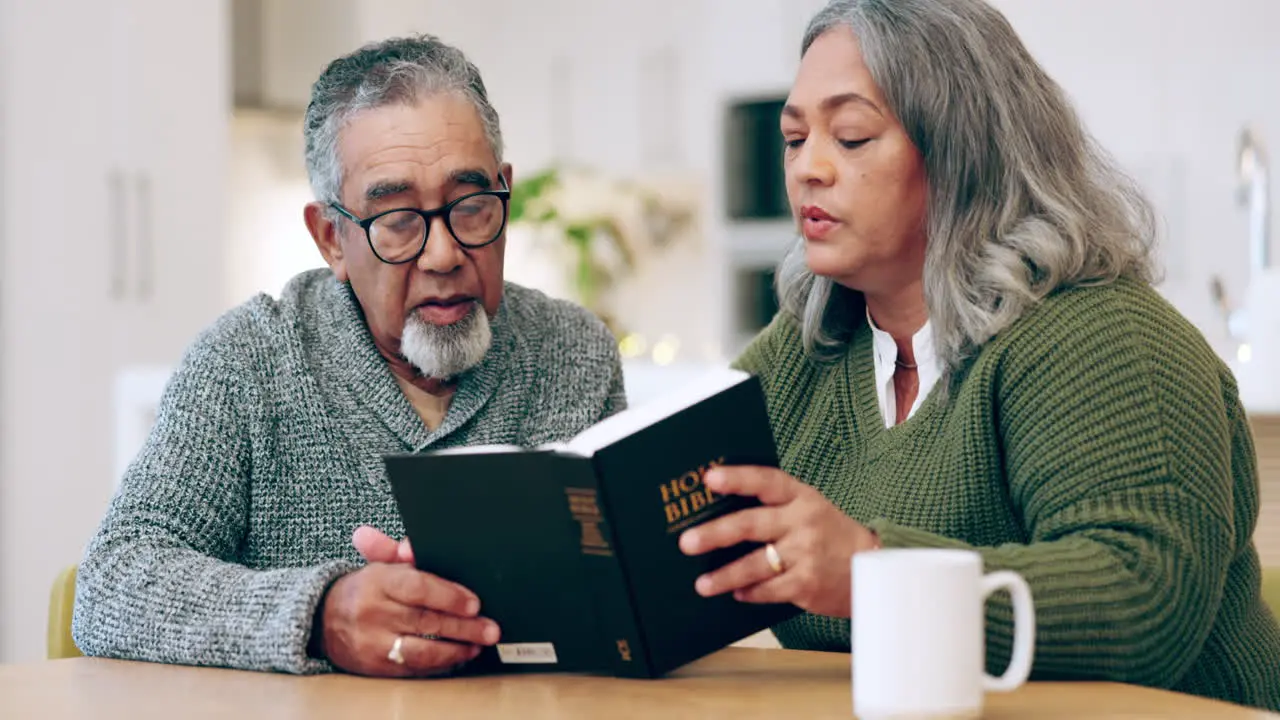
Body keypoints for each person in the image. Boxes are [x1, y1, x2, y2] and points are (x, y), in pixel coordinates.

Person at [676, 0, 1280, 710]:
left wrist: (869, 569)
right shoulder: (805, 349)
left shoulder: (1100, 335)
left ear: (963, 152)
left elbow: (1140, 602)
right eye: (794, 138)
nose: (808, 168)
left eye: (851, 136)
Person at [71, 34, 625, 678]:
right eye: (398, 221)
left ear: (504, 191)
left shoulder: (575, 352)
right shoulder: (248, 360)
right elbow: (113, 582)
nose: (443, 255)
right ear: (331, 237)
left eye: (471, 208)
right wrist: (318, 615)